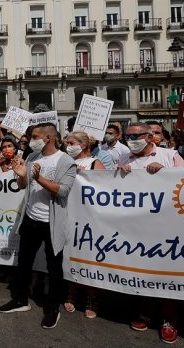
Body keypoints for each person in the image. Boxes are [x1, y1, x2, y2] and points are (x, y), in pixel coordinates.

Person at [0, 123, 77, 330]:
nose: (31, 140)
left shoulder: (66, 161)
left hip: (52, 223)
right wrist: (22, 174)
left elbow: (62, 191)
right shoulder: (33, 157)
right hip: (31, 219)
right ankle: (20, 300)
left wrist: (39, 177)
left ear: (48, 138)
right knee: (24, 263)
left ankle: (52, 309)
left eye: (34, 136)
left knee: (54, 268)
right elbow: (24, 186)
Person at [117, 122, 184, 344]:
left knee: (167, 275)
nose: (132, 139)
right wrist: (117, 173)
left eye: (137, 135)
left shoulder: (169, 155)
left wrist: (166, 174)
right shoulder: (125, 158)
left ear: (149, 136)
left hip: (165, 227)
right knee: (141, 272)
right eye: (128, 135)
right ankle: (144, 311)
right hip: (135, 227)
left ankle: (169, 317)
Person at [62, 131, 104, 318]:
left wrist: (84, 177)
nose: (67, 145)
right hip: (67, 216)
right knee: (69, 256)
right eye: (66, 142)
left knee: (88, 258)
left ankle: (91, 297)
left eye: (71, 142)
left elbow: (105, 190)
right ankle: (71, 292)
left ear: (84, 145)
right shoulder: (64, 162)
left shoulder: (95, 163)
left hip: (89, 219)